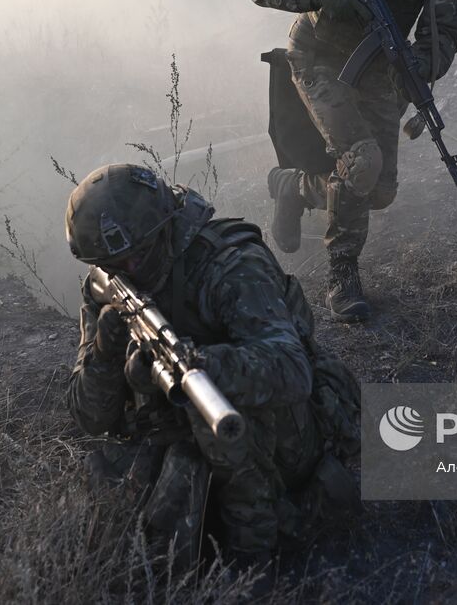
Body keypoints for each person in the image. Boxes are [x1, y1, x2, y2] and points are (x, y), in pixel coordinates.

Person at [64, 163, 361, 560]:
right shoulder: (110, 283)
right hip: (182, 427)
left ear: (165, 228)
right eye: (115, 265)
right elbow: (91, 418)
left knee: (212, 432)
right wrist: (106, 349)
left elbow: (291, 370)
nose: (130, 271)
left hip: (278, 424)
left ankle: (254, 555)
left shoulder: (229, 263)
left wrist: (200, 364)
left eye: (139, 256)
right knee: (112, 507)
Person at [250, 0, 457, 322]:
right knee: (362, 160)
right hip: (317, 57)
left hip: (377, 68)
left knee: (379, 189)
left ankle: (294, 187)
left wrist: (422, 67)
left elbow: (444, 28)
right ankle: (342, 275)